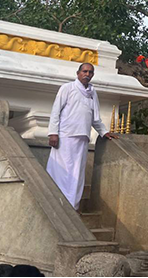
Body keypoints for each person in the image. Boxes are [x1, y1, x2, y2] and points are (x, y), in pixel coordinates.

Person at [46, 63, 117, 210]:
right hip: (65, 136)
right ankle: (57, 202)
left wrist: (104, 132)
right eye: (84, 71)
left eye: (90, 72)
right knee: (61, 170)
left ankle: (73, 206)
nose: (87, 74)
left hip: (82, 137)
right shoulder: (67, 88)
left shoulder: (92, 92)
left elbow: (95, 117)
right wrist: (53, 133)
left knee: (77, 173)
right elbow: (55, 111)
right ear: (78, 73)